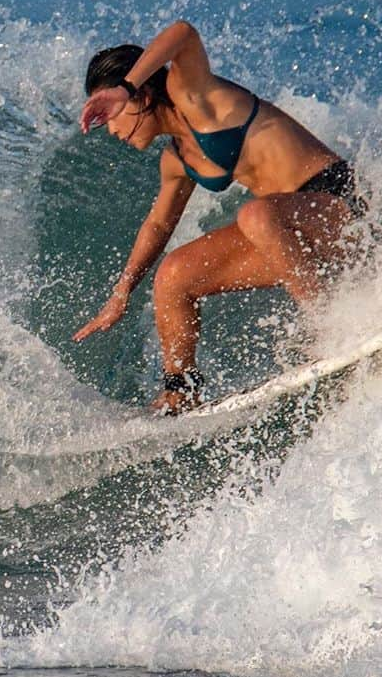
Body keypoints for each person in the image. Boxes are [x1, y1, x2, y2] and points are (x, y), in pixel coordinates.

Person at [74, 21, 367, 414]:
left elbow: (183, 32)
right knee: (173, 276)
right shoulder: (176, 159)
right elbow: (158, 226)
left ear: (140, 95)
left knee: (256, 214)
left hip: (340, 209)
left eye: (110, 113)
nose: (110, 128)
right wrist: (121, 292)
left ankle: (329, 326)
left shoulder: (195, 96)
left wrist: (121, 88)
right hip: (289, 238)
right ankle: (181, 391)